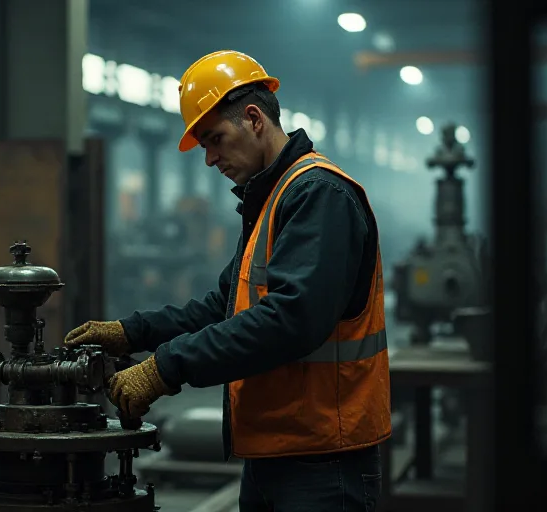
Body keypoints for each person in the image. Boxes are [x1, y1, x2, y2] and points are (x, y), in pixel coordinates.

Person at [64, 50, 391, 512]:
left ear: (254, 119)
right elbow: (224, 304)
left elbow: (289, 320)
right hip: (275, 451)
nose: (210, 159)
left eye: (214, 139)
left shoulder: (319, 194)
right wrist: (130, 333)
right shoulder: (274, 196)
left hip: (323, 462)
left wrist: (165, 368)